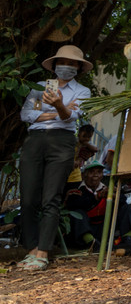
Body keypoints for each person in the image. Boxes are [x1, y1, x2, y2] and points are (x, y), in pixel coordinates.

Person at [18, 45, 92, 271]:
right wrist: (59, 110)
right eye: (63, 62)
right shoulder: (40, 88)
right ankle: (30, 250)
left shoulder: (82, 91)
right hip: (35, 140)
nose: (66, 67)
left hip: (62, 142)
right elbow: (27, 115)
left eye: (72, 63)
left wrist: (61, 106)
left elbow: (73, 117)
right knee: (28, 197)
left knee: (52, 197)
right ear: (54, 65)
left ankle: (42, 252)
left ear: (78, 67)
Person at [64, 162, 131, 250]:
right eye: (92, 172)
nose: (95, 175)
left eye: (98, 172)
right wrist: (97, 197)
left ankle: (127, 238)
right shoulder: (76, 189)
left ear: (102, 175)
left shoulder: (106, 187)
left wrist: (116, 196)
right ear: (83, 175)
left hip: (103, 228)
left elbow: (123, 201)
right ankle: (91, 243)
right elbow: (74, 204)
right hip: (84, 230)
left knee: (125, 207)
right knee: (78, 213)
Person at [65, 124, 99, 190]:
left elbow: (95, 149)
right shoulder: (73, 142)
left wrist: (86, 144)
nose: (86, 139)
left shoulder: (87, 145)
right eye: (84, 136)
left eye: (89, 137)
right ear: (79, 134)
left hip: (75, 178)